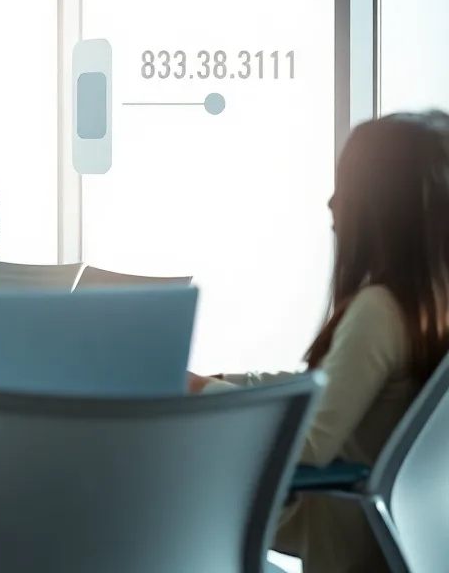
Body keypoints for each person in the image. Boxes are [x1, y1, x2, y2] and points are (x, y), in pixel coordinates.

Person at [188, 111, 449, 573]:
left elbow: (310, 445)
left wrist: (197, 391)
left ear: (384, 203)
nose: (332, 203)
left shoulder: (380, 310)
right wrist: (226, 382)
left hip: (341, 536)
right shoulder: (427, 309)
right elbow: (327, 387)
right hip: (386, 538)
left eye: (346, 186)